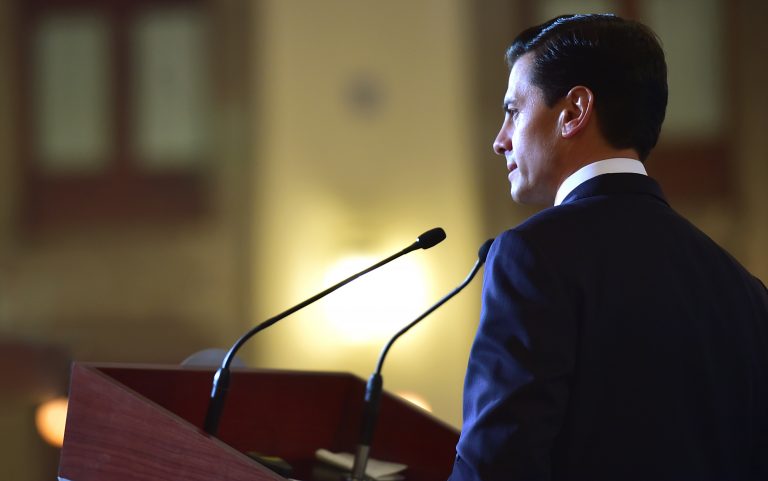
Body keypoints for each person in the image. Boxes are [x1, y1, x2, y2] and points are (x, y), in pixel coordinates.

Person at [449, 14, 768, 481]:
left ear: (574, 111)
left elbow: (497, 465)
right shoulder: (744, 289)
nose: (501, 141)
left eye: (513, 111)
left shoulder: (532, 256)